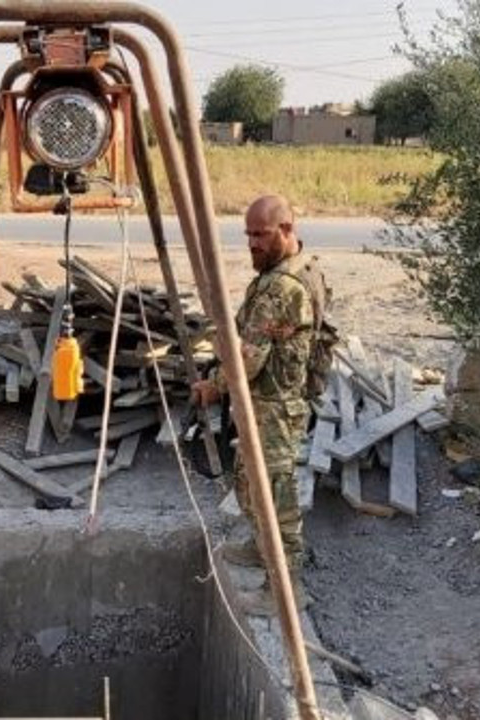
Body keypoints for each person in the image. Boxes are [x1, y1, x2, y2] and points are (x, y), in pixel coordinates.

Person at [191, 194, 323, 613]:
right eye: (248, 235)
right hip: (265, 407)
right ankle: (259, 548)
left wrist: (213, 384)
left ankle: (283, 592)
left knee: (275, 501)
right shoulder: (287, 271)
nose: (252, 243)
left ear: (287, 230)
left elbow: (248, 359)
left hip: (275, 410)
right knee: (249, 484)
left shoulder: (283, 287)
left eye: (261, 235)